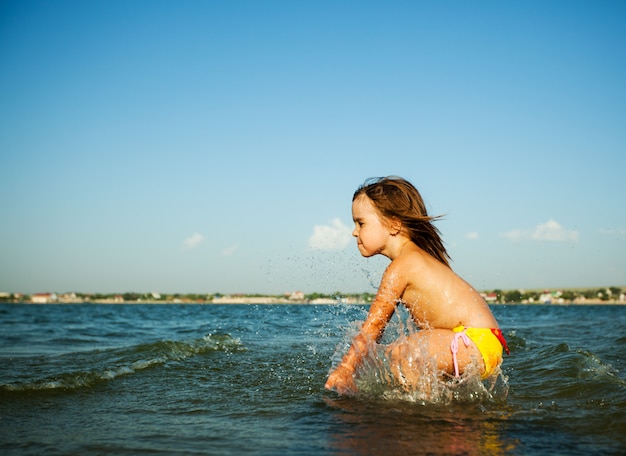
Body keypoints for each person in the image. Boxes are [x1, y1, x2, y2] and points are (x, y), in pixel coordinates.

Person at [324, 176, 509, 395]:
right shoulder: (413, 259)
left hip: (474, 339)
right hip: (480, 341)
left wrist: (346, 368)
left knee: (404, 353)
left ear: (394, 224)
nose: (354, 232)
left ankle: (420, 417)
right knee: (399, 353)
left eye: (360, 223)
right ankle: (440, 414)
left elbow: (373, 327)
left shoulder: (402, 266)